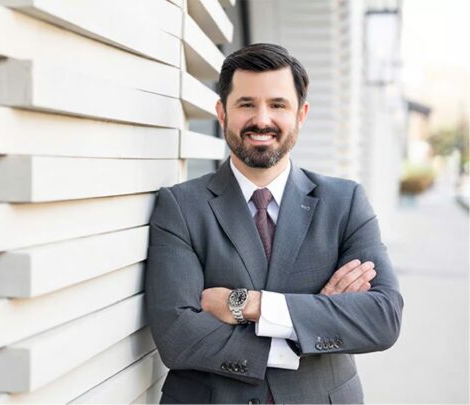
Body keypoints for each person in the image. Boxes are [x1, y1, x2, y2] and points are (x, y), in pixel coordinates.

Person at [145, 43, 404, 404]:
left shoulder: (345, 202)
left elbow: (382, 318)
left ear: (301, 114)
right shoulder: (181, 206)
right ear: (222, 112)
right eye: (246, 104)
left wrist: (249, 305)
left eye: (278, 105)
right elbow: (177, 336)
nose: (262, 120)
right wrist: (306, 327)